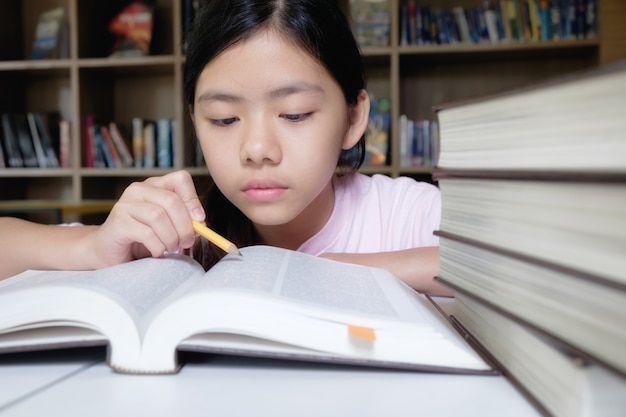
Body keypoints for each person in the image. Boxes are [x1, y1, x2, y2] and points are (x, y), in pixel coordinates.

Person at [0, 0, 448, 295]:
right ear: (195, 121)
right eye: (224, 120)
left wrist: (327, 271)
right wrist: (95, 246)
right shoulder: (184, 232)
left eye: (293, 114)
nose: (256, 148)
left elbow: (512, 271)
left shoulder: (403, 214)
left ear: (353, 118)